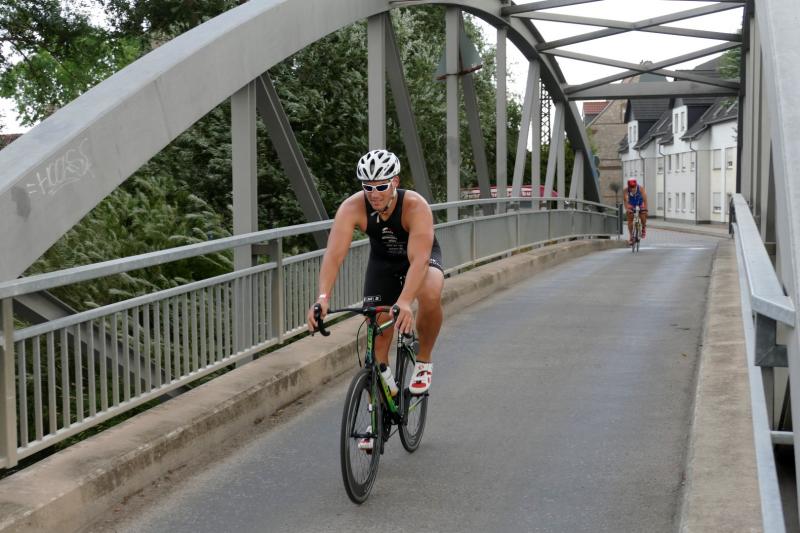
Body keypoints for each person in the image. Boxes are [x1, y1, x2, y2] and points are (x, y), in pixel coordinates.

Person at [307, 149, 444, 397]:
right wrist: (323, 298)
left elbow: (419, 260)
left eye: (381, 187)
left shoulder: (415, 206)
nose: (374, 194)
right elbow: (334, 255)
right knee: (377, 333)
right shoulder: (352, 207)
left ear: (395, 182)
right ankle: (381, 401)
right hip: (383, 262)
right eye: (367, 187)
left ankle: (424, 360)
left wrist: (404, 301)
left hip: (418, 258)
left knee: (431, 292)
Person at [625, 178, 648, 244]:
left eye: (634, 187)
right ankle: (631, 236)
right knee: (630, 219)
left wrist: (646, 209)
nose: (633, 189)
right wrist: (627, 208)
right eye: (631, 187)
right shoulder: (626, 190)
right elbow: (625, 200)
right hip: (631, 204)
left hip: (640, 203)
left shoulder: (641, 189)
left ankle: (643, 227)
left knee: (643, 214)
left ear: (636, 185)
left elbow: (645, 200)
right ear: (628, 186)